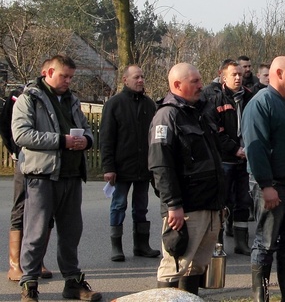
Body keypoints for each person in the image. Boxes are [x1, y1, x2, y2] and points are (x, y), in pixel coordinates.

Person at [12, 54, 101, 301]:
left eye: (71, 77)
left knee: (71, 233)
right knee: (36, 232)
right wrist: (61, 141)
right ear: (48, 73)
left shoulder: (72, 100)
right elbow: (22, 135)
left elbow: (87, 130)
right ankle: (29, 284)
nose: (68, 81)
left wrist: (86, 140)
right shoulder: (29, 98)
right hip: (42, 176)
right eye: (64, 76)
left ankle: (73, 283)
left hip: (72, 175)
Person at [149, 63, 227, 295]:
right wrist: (173, 205)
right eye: (194, 81)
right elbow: (160, 165)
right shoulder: (166, 116)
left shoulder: (201, 112)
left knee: (195, 267)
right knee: (175, 265)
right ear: (176, 85)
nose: (200, 85)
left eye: (200, 80)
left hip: (209, 204)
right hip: (186, 208)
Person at [242, 56, 285, 302]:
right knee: (265, 244)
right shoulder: (261, 103)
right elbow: (255, 147)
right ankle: (262, 296)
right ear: (278, 73)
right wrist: (266, 185)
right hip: (273, 186)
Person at [100, 65, 160, 262]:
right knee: (118, 205)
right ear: (125, 80)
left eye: (142, 77)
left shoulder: (150, 105)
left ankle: (141, 245)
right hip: (121, 167)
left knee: (141, 207)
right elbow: (106, 138)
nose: (141, 80)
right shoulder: (114, 104)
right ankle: (116, 246)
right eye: (136, 77)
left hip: (144, 167)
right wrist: (108, 167)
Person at [2, 60, 54, 282]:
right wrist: (15, 151)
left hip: (48, 164)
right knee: (21, 208)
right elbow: (6, 127)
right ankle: (15, 264)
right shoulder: (21, 97)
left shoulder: (55, 99)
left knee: (44, 213)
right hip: (25, 161)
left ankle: (36, 261)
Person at [202, 60, 254, 256]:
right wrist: (235, 149)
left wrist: (249, 149)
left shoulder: (250, 98)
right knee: (222, 202)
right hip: (225, 160)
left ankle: (242, 242)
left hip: (245, 160)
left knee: (243, 201)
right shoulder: (216, 100)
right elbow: (216, 131)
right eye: (234, 74)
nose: (239, 78)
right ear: (223, 77)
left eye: (240, 74)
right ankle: (218, 243)